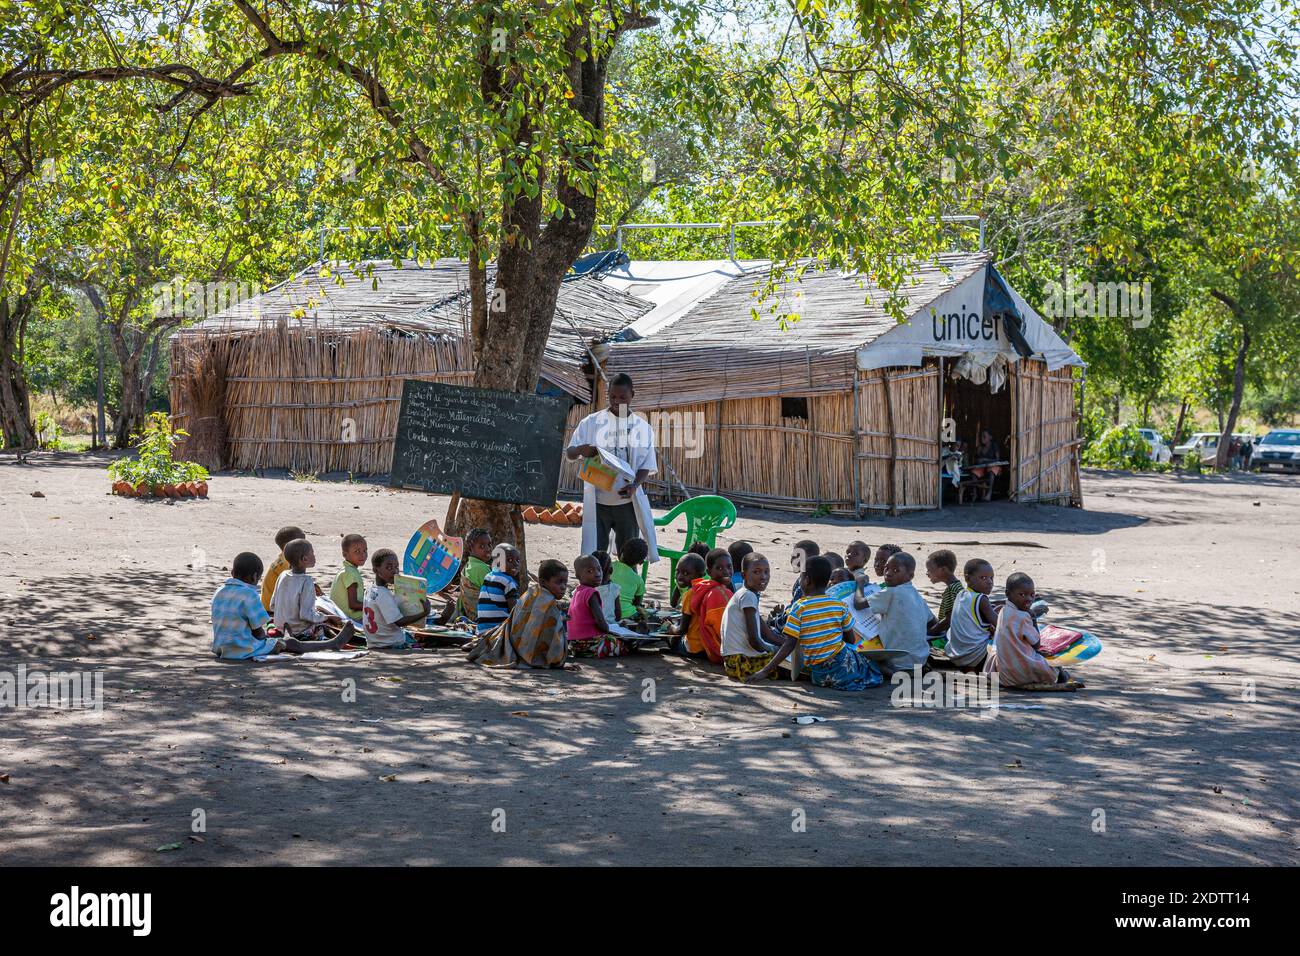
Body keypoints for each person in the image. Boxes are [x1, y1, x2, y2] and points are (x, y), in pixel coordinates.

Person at [566, 372, 660, 563]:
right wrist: (582, 450)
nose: (617, 401)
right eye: (613, 397)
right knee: (595, 557)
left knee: (628, 558)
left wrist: (634, 485)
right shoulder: (592, 423)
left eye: (622, 397)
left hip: (626, 503)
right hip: (598, 502)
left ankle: (627, 592)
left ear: (632, 394)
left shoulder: (642, 427)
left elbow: (646, 465)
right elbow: (570, 453)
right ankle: (596, 592)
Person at [748, 556, 881, 690]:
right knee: (868, 663)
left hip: (820, 676)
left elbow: (789, 645)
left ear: (806, 580)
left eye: (800, 578)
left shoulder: (799, 607)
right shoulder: (839, 605)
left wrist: (765, 671)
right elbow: (851, 640)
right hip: (842, 668)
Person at [212, 552, 353, 660]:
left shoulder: (219, 591)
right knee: (292, 643)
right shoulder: (249, 595)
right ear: (254, 577)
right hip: (241, 649)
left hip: (220, 647)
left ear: (232, 573)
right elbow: (258, 633)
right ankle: (332, 644)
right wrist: (270, 641)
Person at [467, 560, 572, 669]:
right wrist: (558, 662)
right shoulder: (547, 603)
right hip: (520, 648)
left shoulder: (532, 592)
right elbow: (552, 636)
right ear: (543, 582)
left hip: (513, 643)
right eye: (558, 582)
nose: (563, 587)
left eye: (565, 582)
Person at [984, 572, 1081, 687]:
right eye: (1022, 595)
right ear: (1008, 594)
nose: (1028, 599)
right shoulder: (1023, 616)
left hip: (1004, 673)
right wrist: (1033, 618)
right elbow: (1036, 644)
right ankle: (1061, 675)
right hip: (1019, 675)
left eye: (1032, 594)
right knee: (1053, 665)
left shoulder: (1003, 611)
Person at [866, 551, 934, 675]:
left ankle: (891, 672)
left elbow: (859, 604)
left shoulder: (891, 592)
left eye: (896, 571)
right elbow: (932, 622)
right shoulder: (916, 595)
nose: (888, 573)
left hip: (897, 662)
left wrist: (860, 586)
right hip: (920, 659)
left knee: (865, 657)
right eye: (887, 568)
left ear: (910, 576)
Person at [719, 552, 784, 681]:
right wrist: (774, 650)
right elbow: (755, 641)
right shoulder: (747, 596)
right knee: (795, 668)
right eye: (756, 572)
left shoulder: (747, 595)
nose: (763, 577)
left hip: (733, 661)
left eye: (766, 572)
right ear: (744, 575)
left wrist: (789, 645)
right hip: (743, 662)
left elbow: (767, 634)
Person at [270, 538, 344, 639]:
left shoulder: (282, 575)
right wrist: (327, 617)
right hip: (297, 631)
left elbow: (272, 605)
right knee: (323, 626)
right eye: (312, 553)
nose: (314, 555)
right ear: (304, 559)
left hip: (280, 628)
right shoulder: (307, 581)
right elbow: (305, 615)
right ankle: (336, 639)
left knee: (318, 615)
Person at [364, 548, 432, 649]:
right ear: (375, 570)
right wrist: (424, 613)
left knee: (413, 634)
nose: (395, 571)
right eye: (389, 567)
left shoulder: (370, 589)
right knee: (429, 640)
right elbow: (399, 622)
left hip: (374, 641)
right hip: (390, 643)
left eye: (396, 567)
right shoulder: (383, 594)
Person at [944, 558, 998, 671]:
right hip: (976, 657)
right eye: (983, 578)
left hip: (956, 655)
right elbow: (1000, 625)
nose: (989, 582)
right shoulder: (982, 599)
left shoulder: (961, 594)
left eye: (991, 578)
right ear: (968, 578)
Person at [568, 554, 625, 657]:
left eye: (599, 569)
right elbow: (601, 623)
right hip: (590, 643)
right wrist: (610, 631)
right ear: (578, 576)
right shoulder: (591, 593)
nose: (597, 574)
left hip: (574, 645)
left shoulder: (577, 591)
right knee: (618, 643)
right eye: (590, 571)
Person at [684, 548, 733, 664]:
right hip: (715, 647)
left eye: (729, 567)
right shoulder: (726, 593)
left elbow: (682, 629)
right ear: (709, 572)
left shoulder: (696, 590)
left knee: (673, 640)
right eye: (719, 568)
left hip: (699, 647)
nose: (726, 571)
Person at [666, 553, 708, 656]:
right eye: (678, 571)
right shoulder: (706, 587)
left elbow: (682, 630)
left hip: (693, 647)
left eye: (686, 573)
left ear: (700, 574)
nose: (679, 576)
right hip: (707, 646)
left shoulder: (690, 594)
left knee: (667, 634)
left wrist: (670, 628)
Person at [476, 544, 521, 636]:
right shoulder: (508, 582)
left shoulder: (488, 577)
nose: (515, 564)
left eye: (517, 560)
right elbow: (514, 610)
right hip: (499, 631)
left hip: (482, 630)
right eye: (510, 560)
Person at [261, 525, 306, 613]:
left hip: (268, 605)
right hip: (273, 609)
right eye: (302, 542)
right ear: (287, 545)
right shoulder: (289, 563)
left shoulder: (283, 559)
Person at [329, 533, 368, 625]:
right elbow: (353, 605)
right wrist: (373, 606)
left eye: (365, 551)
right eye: (357, 552)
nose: (363, 555)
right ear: (345, 554)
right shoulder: (350, 573)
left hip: (340, 614)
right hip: (350, 618)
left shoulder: (346, 569)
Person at [457, 528, 493, 621]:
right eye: (482, 546)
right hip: (483, 618)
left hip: (469, 616)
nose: (488, 549)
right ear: (470, 548)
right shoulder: (481, 569)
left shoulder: (468, 565)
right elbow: (495, 596)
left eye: (489, 544)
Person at [924, 549, 962, 639]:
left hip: (952, 637)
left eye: (929, 570)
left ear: (943, 570)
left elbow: (950, 619)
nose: (927, 573)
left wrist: (931, 632)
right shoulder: (953, 587)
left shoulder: (954, 589)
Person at [610, 537, 648, 620]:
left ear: (621, 551)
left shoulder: (609, 566)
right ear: (641, 562)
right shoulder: (638, 580)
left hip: (605, 611)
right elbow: (637, 603)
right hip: (626, 614)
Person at [590, 549, 621, 627]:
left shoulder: (583, 589)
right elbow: (618, 616)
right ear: (611, 570)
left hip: (589, 628)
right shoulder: (614, 588)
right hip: (610, 628)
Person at [969, 429, 1002, 500]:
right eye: (981, 436)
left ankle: (989, 494)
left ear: (990, 437)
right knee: (974, 473)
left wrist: (986, 460)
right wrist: (978, 457)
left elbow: (997, 459)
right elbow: (975, 460)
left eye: (984, 436)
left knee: (991, 471)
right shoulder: (980, 447)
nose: (982, 438)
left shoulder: (994, 446)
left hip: (993, 466)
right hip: (982, 467)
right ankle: (975, 494)